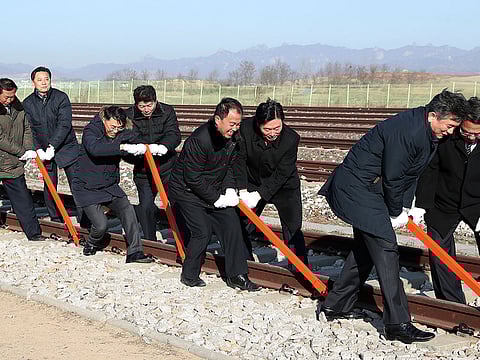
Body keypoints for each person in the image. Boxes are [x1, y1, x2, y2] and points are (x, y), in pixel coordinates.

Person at [317, 89, 469, 343]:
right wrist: (395, 210)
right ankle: (397, 323)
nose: (451, 132)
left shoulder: (425, 129)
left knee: (367, 249)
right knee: (387, 250)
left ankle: (335, 304)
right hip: (357, 189)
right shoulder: (409, 131)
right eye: (450, 125)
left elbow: (411, 173)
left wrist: (406, 207)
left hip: (370, 190)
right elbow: (394, 177)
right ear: (433, 115)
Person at [169, 97, 260, 291]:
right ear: (218, 120)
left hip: (213, 188)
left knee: (232, 224)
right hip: (186, 191)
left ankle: (237, 275)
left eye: (238, 124)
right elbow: (192, 178)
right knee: (202, 231)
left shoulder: (233, 138)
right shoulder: (199, 140)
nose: (235, 128)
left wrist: (229, 189)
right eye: (232, 124)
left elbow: (228, 166)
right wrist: (217, 198)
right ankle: (189, 275)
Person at [410, 96, 480, 304]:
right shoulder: (446, 136)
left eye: (477, 134)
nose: (471, 137)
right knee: (440, 252)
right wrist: (421, 205)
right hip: (444, 203)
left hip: (478, 203)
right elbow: (431, 171)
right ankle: (452, 302)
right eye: (466, 132)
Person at [72, 105, 153, 263]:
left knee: (128, 209)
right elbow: (95, 149)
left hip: (109, 184)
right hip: (87, 185)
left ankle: (135, 252)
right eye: (112, 127)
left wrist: (142, 147)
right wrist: (121, 147)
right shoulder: (91, 130)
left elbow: (136, 137)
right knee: (101, 226)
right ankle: (92, 242)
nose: (115, 130)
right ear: (105, 120)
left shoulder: (122, 130)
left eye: (119, 127)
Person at [236, 98, 308, 266]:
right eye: (267, 129)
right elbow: (239, 159)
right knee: (243, 223)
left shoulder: (291, 139)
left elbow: (282, 173)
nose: (273, 132)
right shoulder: (245, 129)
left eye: (277, 128)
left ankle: (299, 266)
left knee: (293, 227)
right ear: (258, 124)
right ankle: (243, 260)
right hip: (252, 181)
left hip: (284, 186)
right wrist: (243, 189)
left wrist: (261, 194)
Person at [23, 66, 83, 225]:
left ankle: (85, 219)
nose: (43, 83)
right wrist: (38, 149)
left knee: (77, 184)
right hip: (43, 149)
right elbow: (29, 129)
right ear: (33, 82)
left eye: (46, 79)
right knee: (49, 184)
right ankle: (55, 218)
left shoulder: (61, 98)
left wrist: (52, 146)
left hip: (66, 147)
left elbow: (64, 124)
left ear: (50, 80)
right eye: (39, 80)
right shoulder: (28, 103)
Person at [125, 85, 181, 241]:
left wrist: (163, 146)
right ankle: (150, 240)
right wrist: (139, 150)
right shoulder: (129, 116)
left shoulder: (167, 111)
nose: (146, 109)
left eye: (149, 105)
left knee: (177, 203)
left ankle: (183, 237)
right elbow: (127, 139)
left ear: (156, 101)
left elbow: (174, 134)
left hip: (168, 167)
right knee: (146, 207)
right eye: (142, 106)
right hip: (143, 170)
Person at [0, 78, 46, 241]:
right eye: (6, 97)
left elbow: (27, 129)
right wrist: (20, 151)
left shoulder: (19, 109)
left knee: (23, 199)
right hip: (7, 157)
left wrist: (28, 149)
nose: (10, 100)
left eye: (13, 96)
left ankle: (33, 233)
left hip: (13, 164)